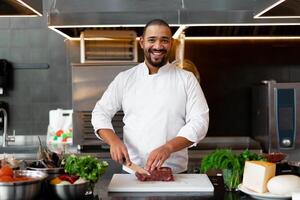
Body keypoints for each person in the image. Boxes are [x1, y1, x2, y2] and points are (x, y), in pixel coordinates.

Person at [91, 19, 209, 174]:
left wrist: (168, 147)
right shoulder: (125, 78)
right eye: (152, 40)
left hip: (174, 173)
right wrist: (113, 141)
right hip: (134, 171)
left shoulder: (187, 79)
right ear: (141, 42)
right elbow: (100, 113)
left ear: (171, 43)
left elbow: (200, 122)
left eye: (164, 40)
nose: (158, 46)